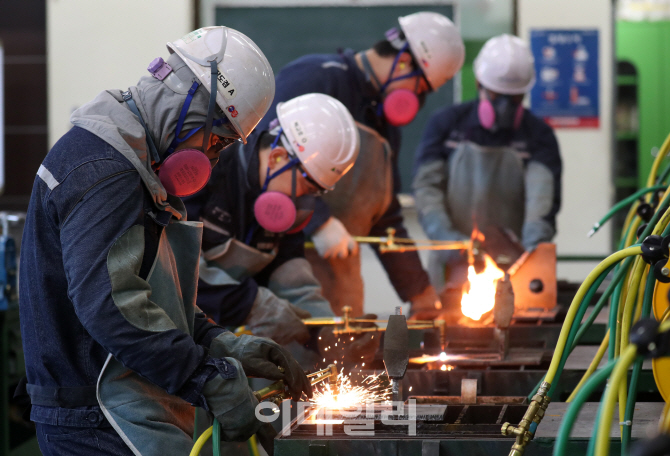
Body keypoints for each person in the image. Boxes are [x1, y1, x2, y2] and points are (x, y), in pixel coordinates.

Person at [18, 26, 311, 456]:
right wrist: (204, 376)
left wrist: (217, 342)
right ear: (188, 104)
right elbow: (111, 307)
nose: (212, 157)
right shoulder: (106, 170)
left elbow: (147, 293)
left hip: (108, 408)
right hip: (94, 421)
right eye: (218, 139)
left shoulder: (128, 163)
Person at [255, 11, 466, 320]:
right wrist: (319, 221)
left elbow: (385, 217)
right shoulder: (315, 78)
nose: (417, 102)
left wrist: (420, 293)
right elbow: (263, 157)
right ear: (405, 62)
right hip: (281, 279)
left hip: (340, 286)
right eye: (420, 90)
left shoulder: (385, 129)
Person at [185, 93, 360, 356]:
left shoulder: (282, 207)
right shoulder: (205, 171)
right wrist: (254, 306)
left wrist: (326, 331)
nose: (305, 200)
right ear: (278, 157)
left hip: (219, 340)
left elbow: (292, 277)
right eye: (306, 186)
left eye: (316, 193)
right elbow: (177, 275)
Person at [412, 34, 562, 292]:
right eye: (497, 95)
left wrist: (530, 259)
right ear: (479, 84)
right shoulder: (446, 125)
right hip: (452, 266)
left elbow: (542, 201)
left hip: (514, 269)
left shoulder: (538, 136)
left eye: (513, 99)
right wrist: (451, 243)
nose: (504, 106)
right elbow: (427, 190)